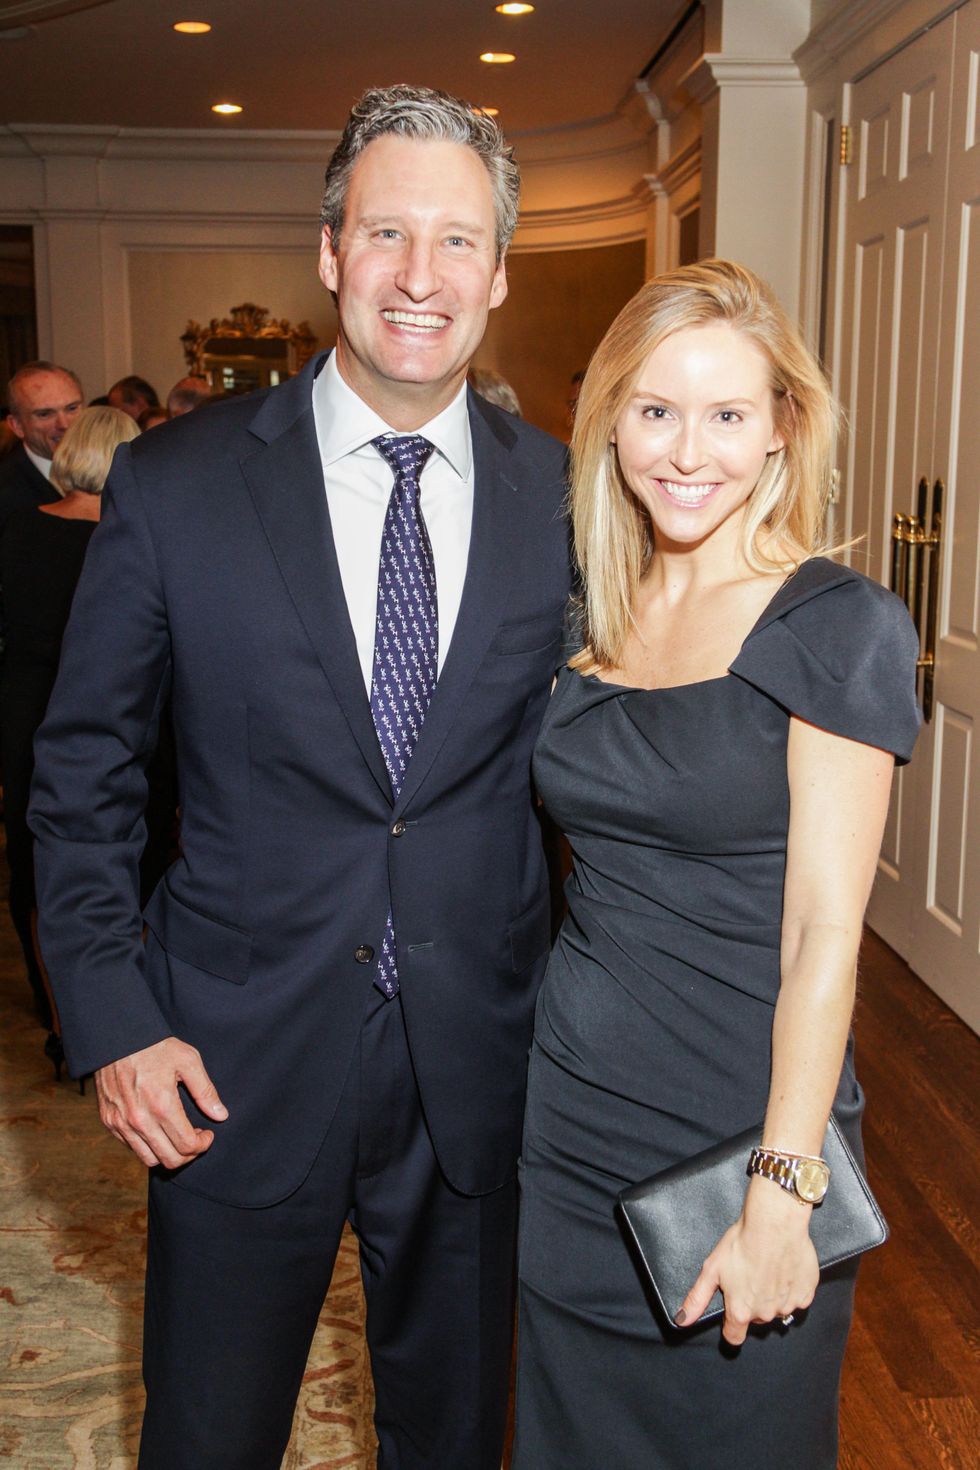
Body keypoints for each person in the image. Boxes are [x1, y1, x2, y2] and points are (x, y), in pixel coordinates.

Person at [30, 84, 571, 1470]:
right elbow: (85, 767)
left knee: (455, 1437)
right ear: (330, 249)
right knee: (209, 1434)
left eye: (458, 241)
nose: (420, 274)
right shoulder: (177, 482)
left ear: (499, 272)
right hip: (231, 1059)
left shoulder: (566, 500)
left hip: (476, 1058)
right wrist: (112, 1013)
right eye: (387, 230)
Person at [512, 259, 920, 1469]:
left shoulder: (836, 624)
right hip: (573, 1114)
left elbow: (822, 936)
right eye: (655, 410)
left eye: (727, 414)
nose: (687, 452)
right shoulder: (584, 607)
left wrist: (781, 1189)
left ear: (782, 426)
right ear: (609, 423)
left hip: (742, 1130)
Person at [0, 406, 139, 1067]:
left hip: (29, 715)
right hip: (129, 719)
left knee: (40, 868)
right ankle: (132, 1017)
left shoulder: (15, 533)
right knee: (132, 866)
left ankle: (64, 1024)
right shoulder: (136, 536)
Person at [0, 361, 83, 531]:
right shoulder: (5, 492)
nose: (64, 424)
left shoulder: (111, 471)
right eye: (45, 414)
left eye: (72, 408)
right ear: (17, 425)